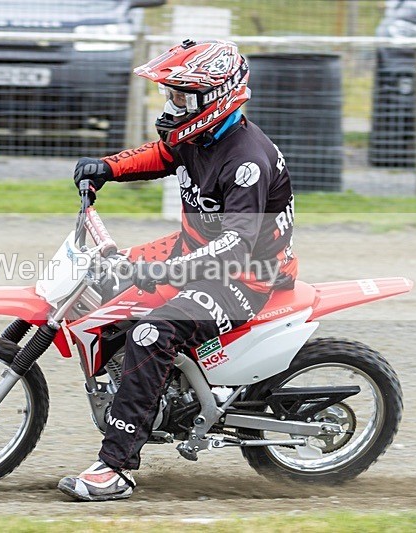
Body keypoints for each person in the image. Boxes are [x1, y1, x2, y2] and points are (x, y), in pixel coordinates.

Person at [58, 39, 297, 502]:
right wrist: (107, 167)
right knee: (102, 281)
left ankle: (117, 467)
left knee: (152, 331)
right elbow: (162, 155)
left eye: (181, 96)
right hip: (196, 249)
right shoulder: (198, 136)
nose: (172, 105)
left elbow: (234, 247)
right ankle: (151, 389)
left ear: (217, 97)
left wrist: (162, 275)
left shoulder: (246, 160)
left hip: (244, 277)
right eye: (171, 94)